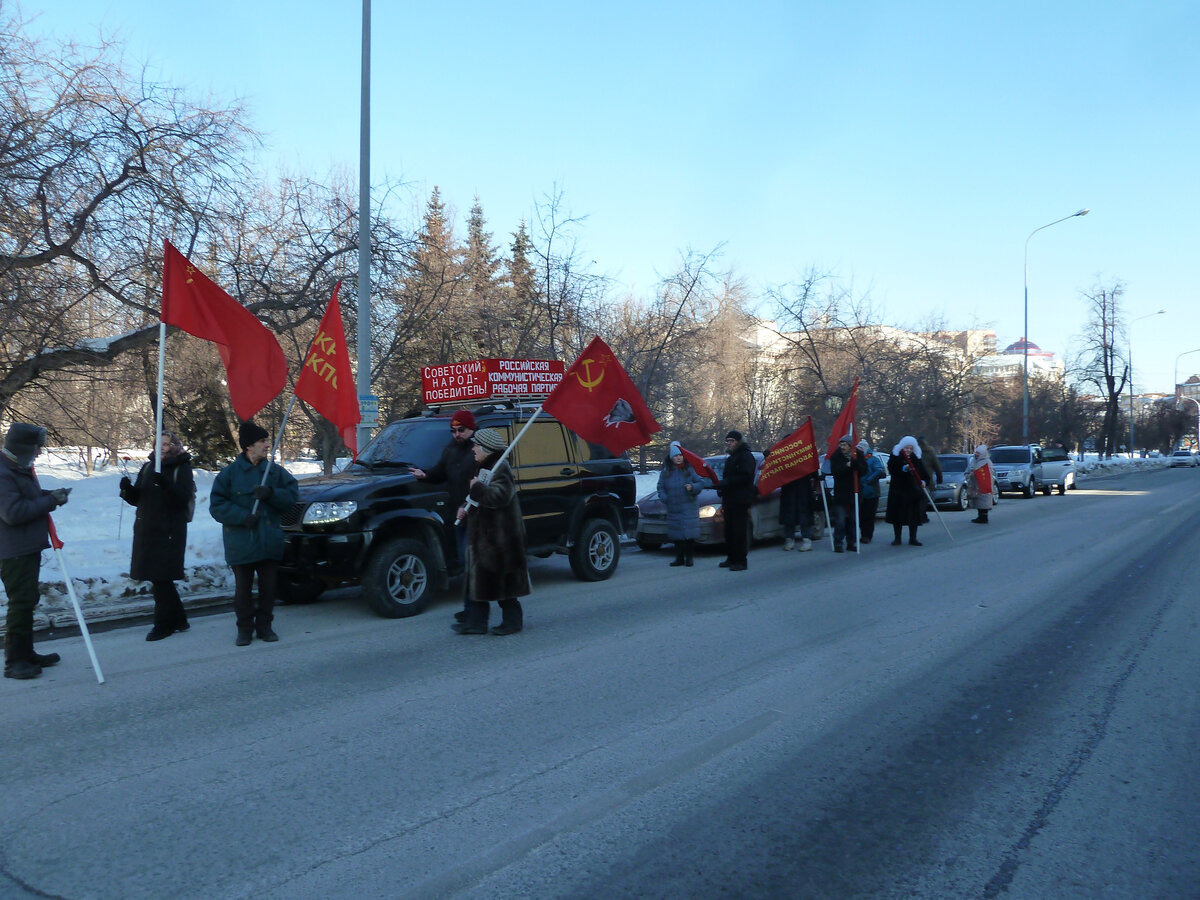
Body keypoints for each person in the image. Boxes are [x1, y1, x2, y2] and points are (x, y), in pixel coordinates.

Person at [210, 420, 299, 646]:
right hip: (241, 542)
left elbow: (291, 497)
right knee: (243, 592)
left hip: (269, 541)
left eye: (267, 440)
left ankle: (265, 627)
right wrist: (242, 517)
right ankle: (245, 629)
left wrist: (271, 493)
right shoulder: (229, 475)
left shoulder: (275, 473)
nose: (268, 444)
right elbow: (217, 506)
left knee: (269, 590)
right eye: (262, 441)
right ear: (248, 446)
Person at [0, 423, 70, 680]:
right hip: (12, 550)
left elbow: (27, 497)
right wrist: (50, 502)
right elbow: (13, 513)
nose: (40, 452)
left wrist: (50, 494)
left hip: (25, 546)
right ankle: (15, 662)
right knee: (20, 603)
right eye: (36, 447)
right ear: (23, 447)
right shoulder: (3, 472)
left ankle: (27, 652)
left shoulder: (17, 468)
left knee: (28, 601)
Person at [119, 431, 194, 641]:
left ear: (175, 446)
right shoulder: (148, 466)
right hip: (146, 531)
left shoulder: (182, 467)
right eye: (158, 443)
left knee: (161, 578)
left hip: (169, 531)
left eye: (167, 444)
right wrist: (126, 490)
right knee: (160, 578)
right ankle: (179, 619)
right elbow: (138, 499)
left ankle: (163, 625)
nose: (161, 447)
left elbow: (181, 499)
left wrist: (166, 485)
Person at [455, 427, 530, 636]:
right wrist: (465, 507)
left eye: (476, 445)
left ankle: (513, 622)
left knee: (504, 586)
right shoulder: (484, 467)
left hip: (501, 538)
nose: (473, 449)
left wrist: (476, 488)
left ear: (486, 449)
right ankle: (476, 623)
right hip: (485, 537)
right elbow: (477, 498)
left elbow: (499, 497)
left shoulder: (501, 468)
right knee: (480, 582)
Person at [409, 409, 477, 621]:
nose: (457, 434)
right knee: (466, 563)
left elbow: (485, 484)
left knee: (470, 564)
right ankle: (471, 610)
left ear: (472, 428)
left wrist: (468, 505)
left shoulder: (480, 450)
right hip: (456, 516)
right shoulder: (450, 450)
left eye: (461, 430)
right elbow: (440, 472)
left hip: (476, 516)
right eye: (453, 430)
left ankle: (475, 611)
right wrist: (425, 475)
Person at [657, 441, 710, 567]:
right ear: (671, 457)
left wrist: (692, 487)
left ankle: (689, 558)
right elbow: (660, 487)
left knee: (689, 536)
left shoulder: (689, 469)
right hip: (674, 508)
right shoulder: (666, 472)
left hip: (688, 507)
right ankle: (679, 558)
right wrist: (665, 498)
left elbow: (700, 482)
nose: (679, 458)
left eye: (680, 455)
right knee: (677, 536)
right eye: (676, 456)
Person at [717, 430, 756, 571]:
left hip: (740, 500)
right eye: (727, 441)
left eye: (732, 441)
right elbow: (729, 477)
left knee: (739, 531)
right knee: (729, 531)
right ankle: (731, 558)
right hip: (730, 499)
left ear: (739, 442)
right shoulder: (731, 457)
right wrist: (722, 487)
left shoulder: (745, 456)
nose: (729, 443)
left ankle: (741, 561)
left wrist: (727, 483)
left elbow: (745, 477)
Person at [886, 435, 928, 547]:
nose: (908, 450)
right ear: (902, 448)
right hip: (898, 491)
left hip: (913, 491)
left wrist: (923, 480)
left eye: (910, 448)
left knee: (913, 516)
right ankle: (897, 538)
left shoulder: (917, 458)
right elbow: (892, 469)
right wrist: (903, 469)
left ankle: (913, 538)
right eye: (906, 448)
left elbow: (923, 472)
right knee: (897, 516)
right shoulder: (895, 457)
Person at [829, 435, 867, 553]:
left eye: (845, 445)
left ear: (850, 445)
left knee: (853, 520)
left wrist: (855, 464)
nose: (842, 447)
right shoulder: (836, 456)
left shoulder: (858, 455)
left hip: (854, 493)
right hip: (841, 493)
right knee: (840, 520)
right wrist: (846, 466)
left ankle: (851, 542)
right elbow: (835, 471)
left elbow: (864, 470)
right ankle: (838, 543)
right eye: (841, 444)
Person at [779, 471, 818, 552]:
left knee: (804, 514)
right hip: (789, 487)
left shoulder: (805, 458)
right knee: (789, 514)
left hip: (803, 488)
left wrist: (817, 475)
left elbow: (811, 467)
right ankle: (789, 540)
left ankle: (806, 540)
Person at [858, 440, 885, 544]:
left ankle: (867, 535)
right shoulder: (856, 460)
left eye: (860, 449)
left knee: (869, 515)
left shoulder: (873, 459)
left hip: (871, 493)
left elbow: (879, 471)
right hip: (859, 492)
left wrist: (869, 480)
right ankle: (861, 533)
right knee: (860, 515)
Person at [965, 444, 995, 524]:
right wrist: (968, 474)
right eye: (976, 453)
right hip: (975, 485)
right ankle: (980, 515)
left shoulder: (987, 462)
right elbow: (969, 469)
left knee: (984, 501)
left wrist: (975, 474)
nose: (977, 454)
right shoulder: (974, 461)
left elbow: (987, 473)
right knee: (978, 501)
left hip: (984, 485)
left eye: (978, 453)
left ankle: (984, 517)